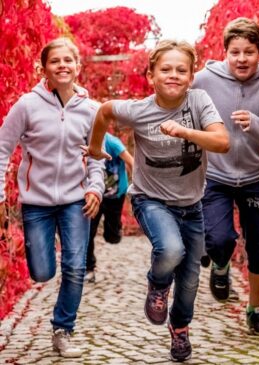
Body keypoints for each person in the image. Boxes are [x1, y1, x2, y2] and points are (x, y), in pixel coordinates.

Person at [83, 39, 230, 362]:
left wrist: (186, 132)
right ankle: (158, 284)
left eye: (181, 70)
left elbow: (222, 142)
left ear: (191, 77)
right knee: (170, 249)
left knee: (190, 280)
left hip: (192, 206)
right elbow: (105, 110)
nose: (173, 75)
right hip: (150, 200)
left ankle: (179, 329)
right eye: (165, 69)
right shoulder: (139, 110)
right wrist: (95, 148)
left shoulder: (199, 101)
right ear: (151, 74)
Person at [0, 38, 104, 357]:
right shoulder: (27, 105)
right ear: (44, 67)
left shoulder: (91, 109)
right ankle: (48, 277)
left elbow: (97, 156)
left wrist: (95, 187)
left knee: (74, 265)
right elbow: (3, 148)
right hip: (37, 203)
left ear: (77, 65)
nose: (62, 65)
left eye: (68, 60)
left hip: (75, 200)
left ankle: (63, 328)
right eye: (55, 61)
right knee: (43, 272)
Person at [192, 17, 259, 335]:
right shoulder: (204, 79)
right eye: (235, 52)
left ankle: (256, 310)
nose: (242, 59)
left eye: (249, 52)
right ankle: (219, 266)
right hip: (215, 176)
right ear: (225, 53)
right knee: (219, 240)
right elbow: (181, 111)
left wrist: (255, 124)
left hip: (254, 176)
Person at [85, 132, 134, 283]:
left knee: (111, 237)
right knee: (88, 232)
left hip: (115, 194)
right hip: (95, 195)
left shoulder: (112, 142)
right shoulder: (87, 139)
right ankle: (89, 269)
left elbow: (131, 161)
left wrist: (137, 187)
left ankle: (115, 230)